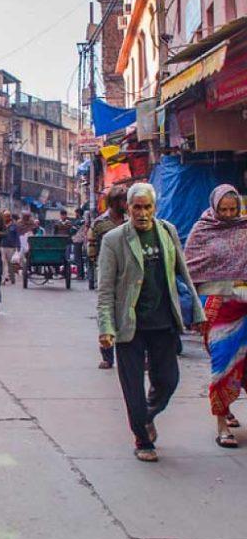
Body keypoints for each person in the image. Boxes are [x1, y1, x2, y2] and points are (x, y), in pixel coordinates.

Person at [96, 183, 205, 462]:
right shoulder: (114, 240)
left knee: (168, 380)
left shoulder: (167, 231)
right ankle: (143, 439)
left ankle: (147, 415)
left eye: (147, 207)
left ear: (154, 208)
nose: (142, 213)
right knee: (132, 388)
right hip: (129, 324)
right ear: (128, 208)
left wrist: (198, 313)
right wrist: (106, 328)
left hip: (163, 322)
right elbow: (106, 289)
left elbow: (183, 272)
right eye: (136, 207)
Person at [184, 184, 247, 448]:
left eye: (233, 209)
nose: (229, 214)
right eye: (224, 209)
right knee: (222, 365)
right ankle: (222, 425)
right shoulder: (202, 230)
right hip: (217, 307)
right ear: (214, 207)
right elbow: (189, 266)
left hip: (245, 306)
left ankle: (228, 412)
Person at [88, 184, 128, 367]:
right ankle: (107, 355)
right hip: (107, 273)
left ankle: (134, 353)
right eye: (121, 200)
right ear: (113, 202)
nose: (125, 203)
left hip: (129, 273)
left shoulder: (131, 221)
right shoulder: (100, 223)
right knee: (106, 312)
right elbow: (91, 248)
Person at [1, 210, 20, 286]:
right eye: (5, 216)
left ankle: (12, 277)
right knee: (3, 262)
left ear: (10, 217)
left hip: (11, 247)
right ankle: (3, 278)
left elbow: (17, 236)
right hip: (2, 246)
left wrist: (18, 246)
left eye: (8, 216)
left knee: (10, 263)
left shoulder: (14, 226)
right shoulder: (1, 225)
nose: (6, 218)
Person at [72, 208, 88, 280]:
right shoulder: (83, 221)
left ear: (78, 213)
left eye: (76, 213)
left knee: (77, 258)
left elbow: (73, 230)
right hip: (82, 240)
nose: (75, 214)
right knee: (80, 258)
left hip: (78, 240)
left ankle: (79, 275)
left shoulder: (79, 221)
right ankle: (81, 275)